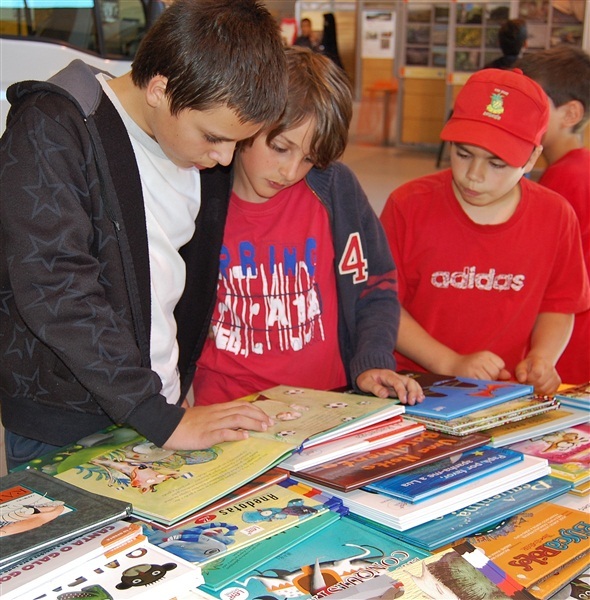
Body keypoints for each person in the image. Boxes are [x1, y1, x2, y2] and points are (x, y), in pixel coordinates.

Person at [0, 0, 289, 470]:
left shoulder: (197, 148)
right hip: (68, 420)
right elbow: (55, 287)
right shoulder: (53, 128)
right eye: (214, 137)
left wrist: (170, 400)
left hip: (159, 408)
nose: (223, 158)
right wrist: (156, 415)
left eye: (238, 142)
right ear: (159, 89)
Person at [193, 47, 424, 407]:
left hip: (326, 405)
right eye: (281, 148)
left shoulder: (335, 190)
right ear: (247, 119)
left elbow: (376, 287)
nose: (290, 172)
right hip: (227, 411)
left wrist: (372, 360)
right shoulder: (198, 197)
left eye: (309, 158)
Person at [380, 67, 589, 396]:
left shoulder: (556, 215)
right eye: (463, 154)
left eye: (496, 163)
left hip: (503, 393)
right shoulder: (408, 206)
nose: (473, 175)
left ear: (533, 157)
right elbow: (383, 304)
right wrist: (450, 362)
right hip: (415, 386)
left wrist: (542, 358)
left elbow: (559, 304)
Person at [517, 45, 590, 385]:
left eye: (534, 102)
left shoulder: (564, 180)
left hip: (568, 347)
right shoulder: (578, 169)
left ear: (571, 113)